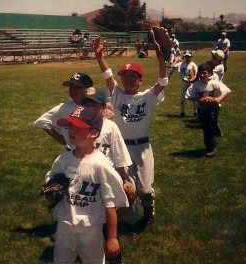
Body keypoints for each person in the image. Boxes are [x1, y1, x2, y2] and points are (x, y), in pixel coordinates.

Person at [91, 33, 169, 232]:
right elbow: (108, 76)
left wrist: (161, 59)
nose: (128, 79)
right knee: (128, 187)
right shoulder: (116, 94)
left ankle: (149, 208)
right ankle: (131, 223)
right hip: (122, 148)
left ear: (140, 80)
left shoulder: (148, 96)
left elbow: (162, 82)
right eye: (125, 76)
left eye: (133, 76)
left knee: (144, 189)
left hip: (143, 148)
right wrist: (100, 58)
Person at [45, 106, 129, 263]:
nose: (72, 131)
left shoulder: (100, 165)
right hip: (64, 226)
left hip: (90, 229)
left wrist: (112, 238)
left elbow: (110, 205)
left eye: (78, 127)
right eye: (70, 126)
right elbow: (51, 179)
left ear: (94, 133)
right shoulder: (63, 159)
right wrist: (50, 190)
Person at [81, 87, 137, 228]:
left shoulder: (110, 127)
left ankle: (111, 236)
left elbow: (119, 156)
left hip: (107, 177)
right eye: (86, 105)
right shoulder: (79, 126)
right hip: (86, 177)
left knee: (109, 210)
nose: (90, 109)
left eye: (94, 105)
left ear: (104, 107)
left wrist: (122, 179)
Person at [34, 72, 93, 150]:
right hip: (73, 153)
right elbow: (42, 121)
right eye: (71, 87)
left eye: (77, 87)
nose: (72, 90)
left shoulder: (96, 106)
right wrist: (59, 138)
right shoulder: (64, 108)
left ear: (88, 89)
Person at [185, 63, 231, 156]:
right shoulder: (196, 85)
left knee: (211, 125)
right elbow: (189, 96)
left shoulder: (214, 83)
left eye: (204, 73)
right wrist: (199, 100)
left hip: (214, 108)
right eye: (200, 73)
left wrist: (217, 99)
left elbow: (225, 91)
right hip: (203, 109)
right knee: (206, 128)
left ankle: (212, 142)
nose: (202, 75)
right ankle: (210, 148)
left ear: (209, 73)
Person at [168, 50, 198, 117]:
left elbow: (197, 74)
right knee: (182, 98)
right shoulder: (181, 64)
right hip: (184, 82)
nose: (187, 58)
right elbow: (172, 66)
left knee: (193, 97)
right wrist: (177, 60)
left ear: (191, 57)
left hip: (191, 83)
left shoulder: (193, 64)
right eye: (186, 56)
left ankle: (195, 111)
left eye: (188, 56)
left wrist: (191, 80)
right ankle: (182, 112)